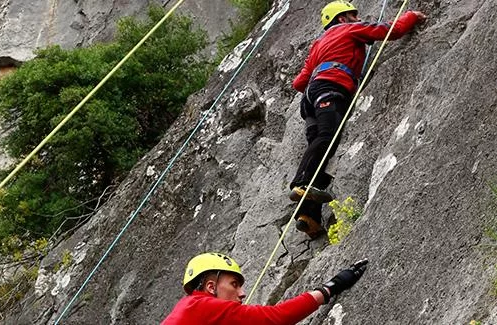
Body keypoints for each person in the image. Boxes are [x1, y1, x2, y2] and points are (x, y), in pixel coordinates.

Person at [289, 1, 427, 237]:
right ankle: (300, 184)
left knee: (323, 151)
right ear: (342, 19)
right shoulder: (348, 29)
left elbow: (299, 82)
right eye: (353, 15)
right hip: (330, 88)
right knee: (327, 137)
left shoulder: (318, 44)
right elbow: (389, 30)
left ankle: (308, 216)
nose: (357, 18)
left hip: (310, 98)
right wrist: (412, 15)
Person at [161, 252, 368, 325]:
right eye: (234, 284)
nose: (242, 293)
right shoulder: (201, 306)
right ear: (211, 286)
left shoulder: (189, 310)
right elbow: (276, 318)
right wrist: (330, 287)